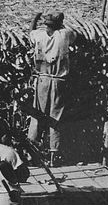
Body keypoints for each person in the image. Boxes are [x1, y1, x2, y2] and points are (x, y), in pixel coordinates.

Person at [26, 10, 77, 166]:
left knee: (37, 115)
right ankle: (54, 156)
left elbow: (30, 32)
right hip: (58, 81)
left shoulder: (39, 35)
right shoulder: (65, 35)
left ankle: (30, 153)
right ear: (60, 24)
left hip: (42, 80)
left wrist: (35, 17)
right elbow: (75, 35)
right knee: (56, 117)